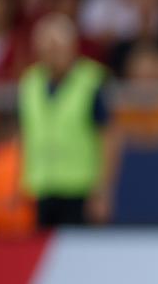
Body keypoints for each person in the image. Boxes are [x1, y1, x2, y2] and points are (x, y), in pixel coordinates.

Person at [18, 12, 118, 226]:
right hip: (41, 187)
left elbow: (109, 137)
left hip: (79, 188)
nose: (53, 54)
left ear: (72, 47)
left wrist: (102, 189)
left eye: (58, 47)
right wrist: (20, 182)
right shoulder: (30, 83)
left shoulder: (91, 81)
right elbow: (26, 134)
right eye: (47, 48)